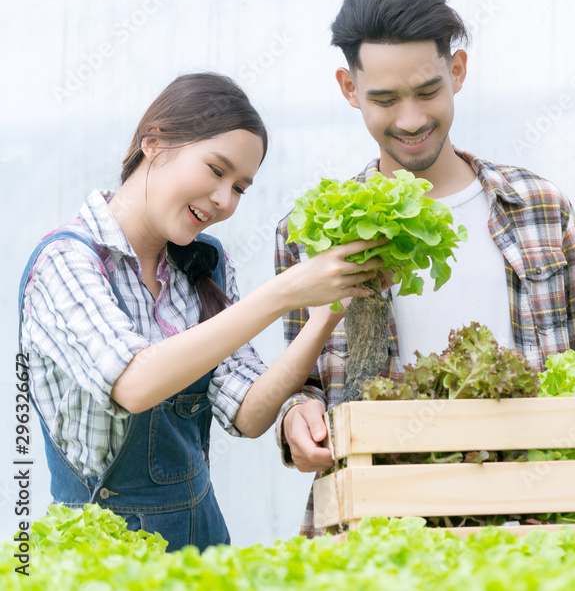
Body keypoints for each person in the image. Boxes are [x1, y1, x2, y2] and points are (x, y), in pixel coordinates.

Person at [274, 0, 575, 538]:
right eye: (384, 100)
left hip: (537, 521)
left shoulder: (539, 207)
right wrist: (296, 415)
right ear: (348, 87)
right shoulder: (313, 231)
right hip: (380, 524)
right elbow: (302, 381)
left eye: (428, 91)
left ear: (457, 71)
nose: (410, 119)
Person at [17, 72, 386, 552]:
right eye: (216, 170)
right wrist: (285, 291)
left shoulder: (201, 265)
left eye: (240, 188)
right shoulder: (67, 261)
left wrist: (327, 315)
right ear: (154, 143)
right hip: (100, 557)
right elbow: (135, 384)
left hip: (202, 547)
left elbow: (250, 414)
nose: (224, 200)